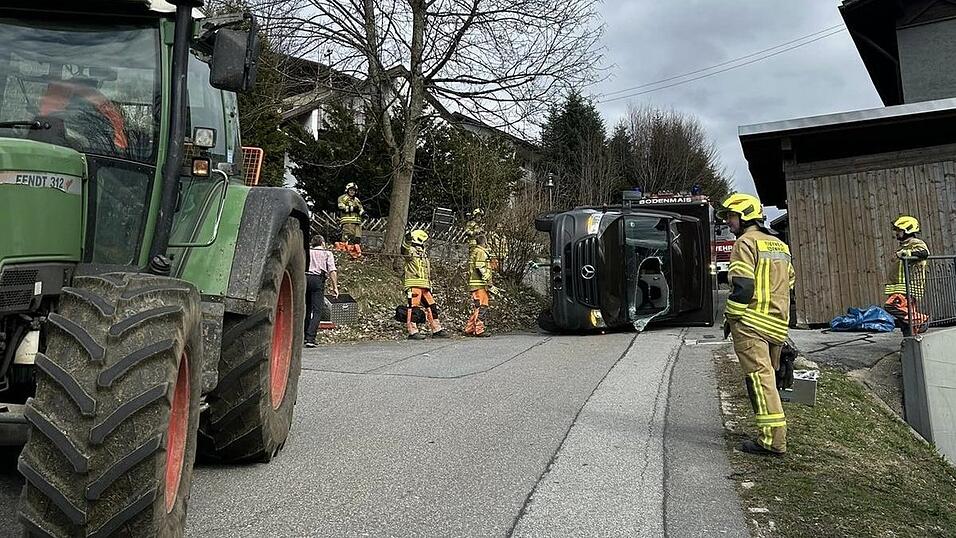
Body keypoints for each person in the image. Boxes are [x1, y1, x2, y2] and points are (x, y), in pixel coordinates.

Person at [719, 192, 795, 457]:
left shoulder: (745, 243)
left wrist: (731, 317)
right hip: (776, 323)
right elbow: (790, 281)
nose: (728, 222)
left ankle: (772, 441)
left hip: (751, 323)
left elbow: (742, 287)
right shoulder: (779, 245)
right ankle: (774, 433)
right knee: (769, 380)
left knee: (760, 381)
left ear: (745, 216)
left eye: (731, 216)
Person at [883, 215, 930, 334]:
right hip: (901, 287)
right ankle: (910, 339)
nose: (897, 233)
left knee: (891, 306)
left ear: (908, 230)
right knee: (905, 322)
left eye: (899, 230)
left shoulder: (915, 242)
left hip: (907, 286)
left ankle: (921, 320)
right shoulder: (904, 245)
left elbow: (924, 253)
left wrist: (905, 253)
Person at [403, 229, 449, 340]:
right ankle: (412, 332)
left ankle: (437, 330)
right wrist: (407, 240)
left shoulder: (423, 253)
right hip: (413, 284)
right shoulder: (411, 250)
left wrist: (429, 284)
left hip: (424, 285)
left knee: (432, 307)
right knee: (413, 308)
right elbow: (404, 250)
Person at [304, 234, 339, 348]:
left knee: (307, 308)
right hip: (318, 279)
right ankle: (310, 338)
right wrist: (335, 287)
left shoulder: (308, 251)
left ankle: (304, 336)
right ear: (323, 243)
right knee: (317, 310)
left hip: (305, 278)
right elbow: (332, 271)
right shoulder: (327, 253)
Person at [465, 235, 497, 337]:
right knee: (482, 307)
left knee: (477, 307)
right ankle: (479, 330)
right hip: (479, 284)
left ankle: (470, 329)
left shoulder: (476, 251)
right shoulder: (481, 252)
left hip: (477, 284)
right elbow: (480, 267)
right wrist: (487, 280)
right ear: (485, 242)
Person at [337, 182, 365, 260]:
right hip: (348, 222)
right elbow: (341, 207)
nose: (352, 192)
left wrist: (363, 213)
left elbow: (360, 209)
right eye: (351, 190)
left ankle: (356, 255)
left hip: (357, 223)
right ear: (347, 190)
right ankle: (345, 255)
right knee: (348, 239)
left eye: (354, 190)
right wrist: (353, 208)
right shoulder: (343, 198)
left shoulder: (356, 200)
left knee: (357, 239)